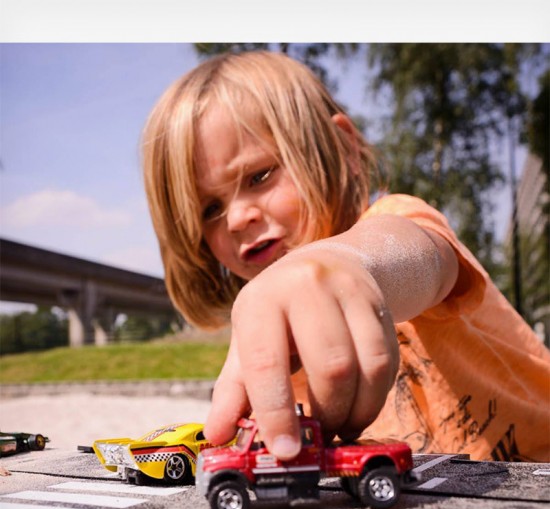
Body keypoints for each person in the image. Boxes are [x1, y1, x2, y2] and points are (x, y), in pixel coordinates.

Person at [142, 50, 550, 463]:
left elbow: (422, 255)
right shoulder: (270, 350)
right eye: (210, 209)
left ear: (343, 148)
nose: (235, 219)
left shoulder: (397, 220)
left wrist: (345, 262)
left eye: (259, 176)